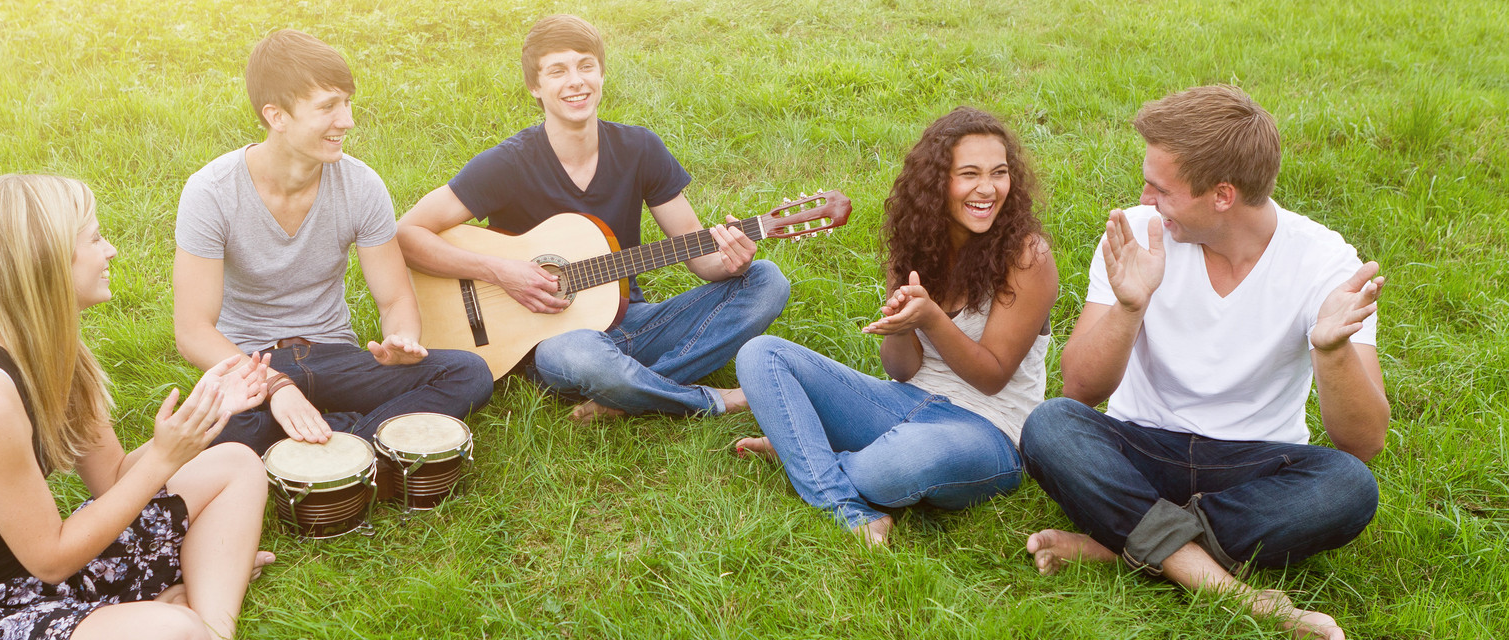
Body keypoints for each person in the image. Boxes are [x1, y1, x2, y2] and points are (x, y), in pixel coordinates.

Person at [1020, 85, 1386, 639]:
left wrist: (1330, 350)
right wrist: (1129, 306)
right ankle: (1231, 589)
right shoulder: (1140, 235)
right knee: (1050, 426)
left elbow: (1363, 443)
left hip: (1251, 466)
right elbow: (1080, 388)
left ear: (1222, 195)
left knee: (1349, 486)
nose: (1145, 197)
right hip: (1140, 445)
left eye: (1160, 188)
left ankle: (1119, 545)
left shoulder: (1324, 262)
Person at [0, 175, 274, 640]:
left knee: (237, 463)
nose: (110, 250)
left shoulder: (55, 355)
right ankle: (183, 618)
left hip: (42, 582)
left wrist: (204, 414)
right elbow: (52, 558)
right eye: (93, 238)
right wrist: (166, 459)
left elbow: (112, 478)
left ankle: (209, 628)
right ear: (46, 260)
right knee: (169, 630)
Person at [395, 14, 789, 422]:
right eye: (558, 71)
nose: (576, 81)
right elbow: (406, 234)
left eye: (585, 65)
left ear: (601, 73)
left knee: (767, 280)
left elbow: (696, 252)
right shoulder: (508, 163)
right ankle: (707, 399)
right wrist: (500, 271)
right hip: (556, 339)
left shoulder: (640, 149)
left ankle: (623, 394)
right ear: (536, 86)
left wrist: (729, 260)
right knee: (584, 357)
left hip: (632, 319)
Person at [732, 108, 1056, 545]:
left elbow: (993, 375)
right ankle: (843, 499)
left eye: (999, 173)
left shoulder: (1027, 256)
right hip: (903, 400)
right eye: (969, 174)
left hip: (987, 432)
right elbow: (901, 371)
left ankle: (806, 457)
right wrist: (901, 325)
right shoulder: (916, 242)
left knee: (895, 467)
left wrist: (931, 318)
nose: (987, 188)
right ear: (937, 181)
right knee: (761, 354)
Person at [173, 29, 492, 454]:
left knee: (468, 373)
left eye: (346, 102)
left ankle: (336, 446)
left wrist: (401, 341)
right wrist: (276, 387)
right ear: (276, 116)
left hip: (333, 356)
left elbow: (396, 299)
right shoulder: (211, 191)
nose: (347, 120)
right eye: (328, 107)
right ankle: (354, 434)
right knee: (220, 429)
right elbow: (193, 331)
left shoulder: (361, 185)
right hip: (250, 366)